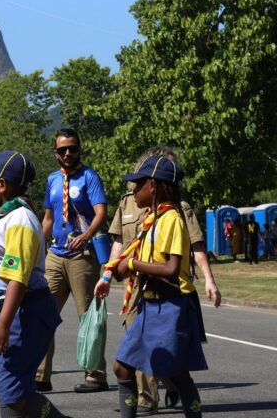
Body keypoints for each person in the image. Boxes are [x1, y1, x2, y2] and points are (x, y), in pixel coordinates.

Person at [97, 146, 219, 415]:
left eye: (138, 184)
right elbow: (141, 255)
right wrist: (120, 269)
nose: (133, 190)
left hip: (171, 305)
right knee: (122, 367)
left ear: (152, 186)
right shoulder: (153, 219)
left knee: (177, 373)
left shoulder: (172, 218)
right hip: (149, 303)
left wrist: (132, 264)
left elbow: (171, 268)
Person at [0, 150, 66, 418]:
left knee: (14, 397)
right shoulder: (8, 217)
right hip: (13, 312)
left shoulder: (20, 220)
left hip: (23, 313)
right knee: (12, 392)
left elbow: (18, 278)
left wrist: (4, 324)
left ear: (2, 184)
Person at [37, 128, 108, 394]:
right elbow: (48, 218)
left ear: (79, 149)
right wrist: (36, 248)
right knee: (43, 314)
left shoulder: (89, 176)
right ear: (55, 153)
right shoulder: (52, 179)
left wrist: (86, 236)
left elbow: (101, 212)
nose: (68, 153)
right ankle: (41, 376)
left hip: (83, 256)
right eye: (63, 149)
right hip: (55, 255)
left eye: (73, 148)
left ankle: (95, 376)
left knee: (88, 317)